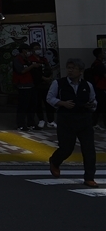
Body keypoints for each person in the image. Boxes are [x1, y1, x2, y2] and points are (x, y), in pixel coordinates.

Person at [46, 58, 99, 188]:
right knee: (66, 148)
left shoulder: (87, 85)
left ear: (80, 71)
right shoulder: (58, 83)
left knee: (89, 150)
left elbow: (94, 101)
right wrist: (62, 103)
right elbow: (50, 98)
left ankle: (89, 177)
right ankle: (55, 161)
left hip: (84, 120)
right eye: (68, 68)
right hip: (66, 120)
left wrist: (91, 106)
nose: (70, 70)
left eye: (73, 68)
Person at [13, 43, 40, 130]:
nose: (29, 52)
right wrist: (32, 66)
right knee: (23, 106)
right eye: (28, 50)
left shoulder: (27, 59)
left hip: (31, 85)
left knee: (32, 105)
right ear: (23, 50)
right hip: (22, 85)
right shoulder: (17, 59)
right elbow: (21, 71)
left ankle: (31, 123)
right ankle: (20, 124)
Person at [30, 43, 55, 129]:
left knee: (49, 103)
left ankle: (50, 121)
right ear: (32, 50)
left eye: (39, 48)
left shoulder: (43, 59)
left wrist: (50, 77)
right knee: (38, 103)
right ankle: (41, 119)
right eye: (36, 48)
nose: (38, 50)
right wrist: (44, 78)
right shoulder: (30, 60)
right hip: (36, 85)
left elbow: (49, 69)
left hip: (46, 85)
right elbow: (33, 73)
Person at [89, 48, 106, 130]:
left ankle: (93, 123)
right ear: (99, 54)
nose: (104, 53)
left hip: (97, 88)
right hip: (100, 88)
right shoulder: (99, 65)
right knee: (103, 107)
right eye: (103, 52)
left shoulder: (95, 64)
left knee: (98, 107)